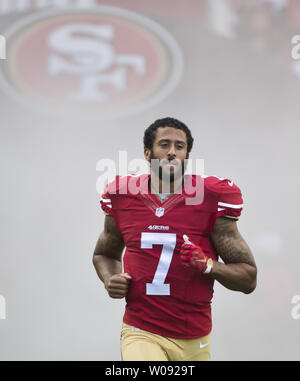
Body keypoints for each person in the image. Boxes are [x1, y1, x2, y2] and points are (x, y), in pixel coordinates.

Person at [93, 117, 257, 361]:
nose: (171, 152)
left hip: (194, 335)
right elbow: (104, 253)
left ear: (187, 155)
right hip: (141, 329)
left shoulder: (211, 197)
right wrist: (110, 279)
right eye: (164, 144)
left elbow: (248, 279)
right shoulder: (123, 195)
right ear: (147, 153)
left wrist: (209, 266)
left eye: (179, 147)